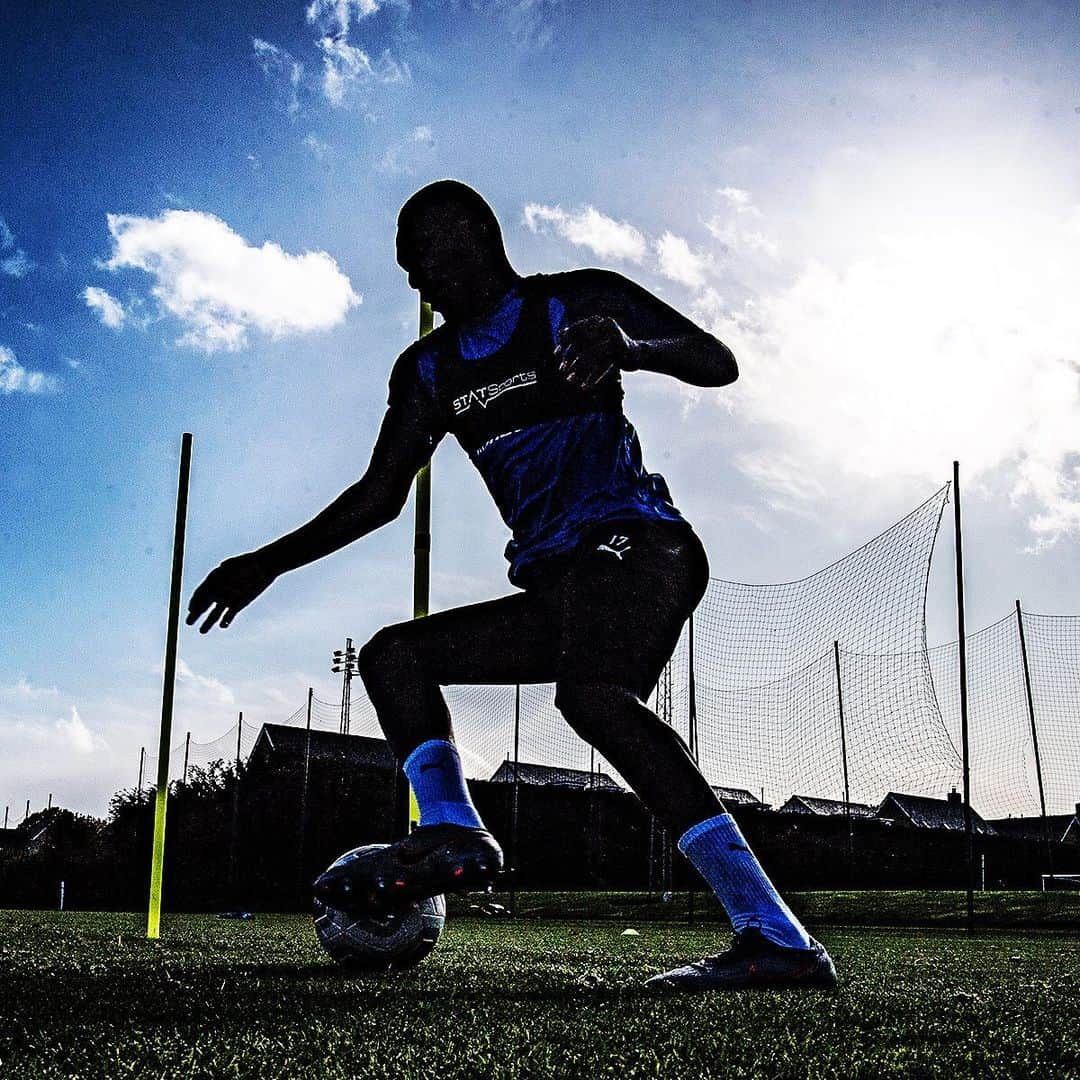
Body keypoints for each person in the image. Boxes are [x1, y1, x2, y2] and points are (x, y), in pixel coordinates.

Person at [186, 179, 836, 991]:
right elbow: (378, 495)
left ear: (475, 232)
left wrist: (630, 349)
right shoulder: (427, 370)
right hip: (563, 584)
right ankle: (457, 831)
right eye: (406, 269)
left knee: (592, 696)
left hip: (643, 546)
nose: (417, 280)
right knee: (394, 659)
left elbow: (718, 362)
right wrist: (267, 561)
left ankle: (777, 941)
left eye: (420, 254)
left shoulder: (577, 302)